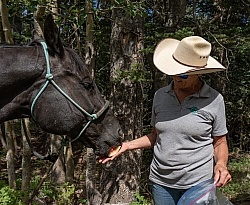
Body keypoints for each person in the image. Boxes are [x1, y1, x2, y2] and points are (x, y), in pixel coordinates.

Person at [99, 36, 232, 205]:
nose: (176, 78)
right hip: (162, 183)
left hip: (198, 182)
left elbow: (220, 142)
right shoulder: (160, 96)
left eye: (183, 75)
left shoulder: (214, 100)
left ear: (198, 73)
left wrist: (221, 164)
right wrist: (125, 146)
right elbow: (156, 135)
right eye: (173, 72)